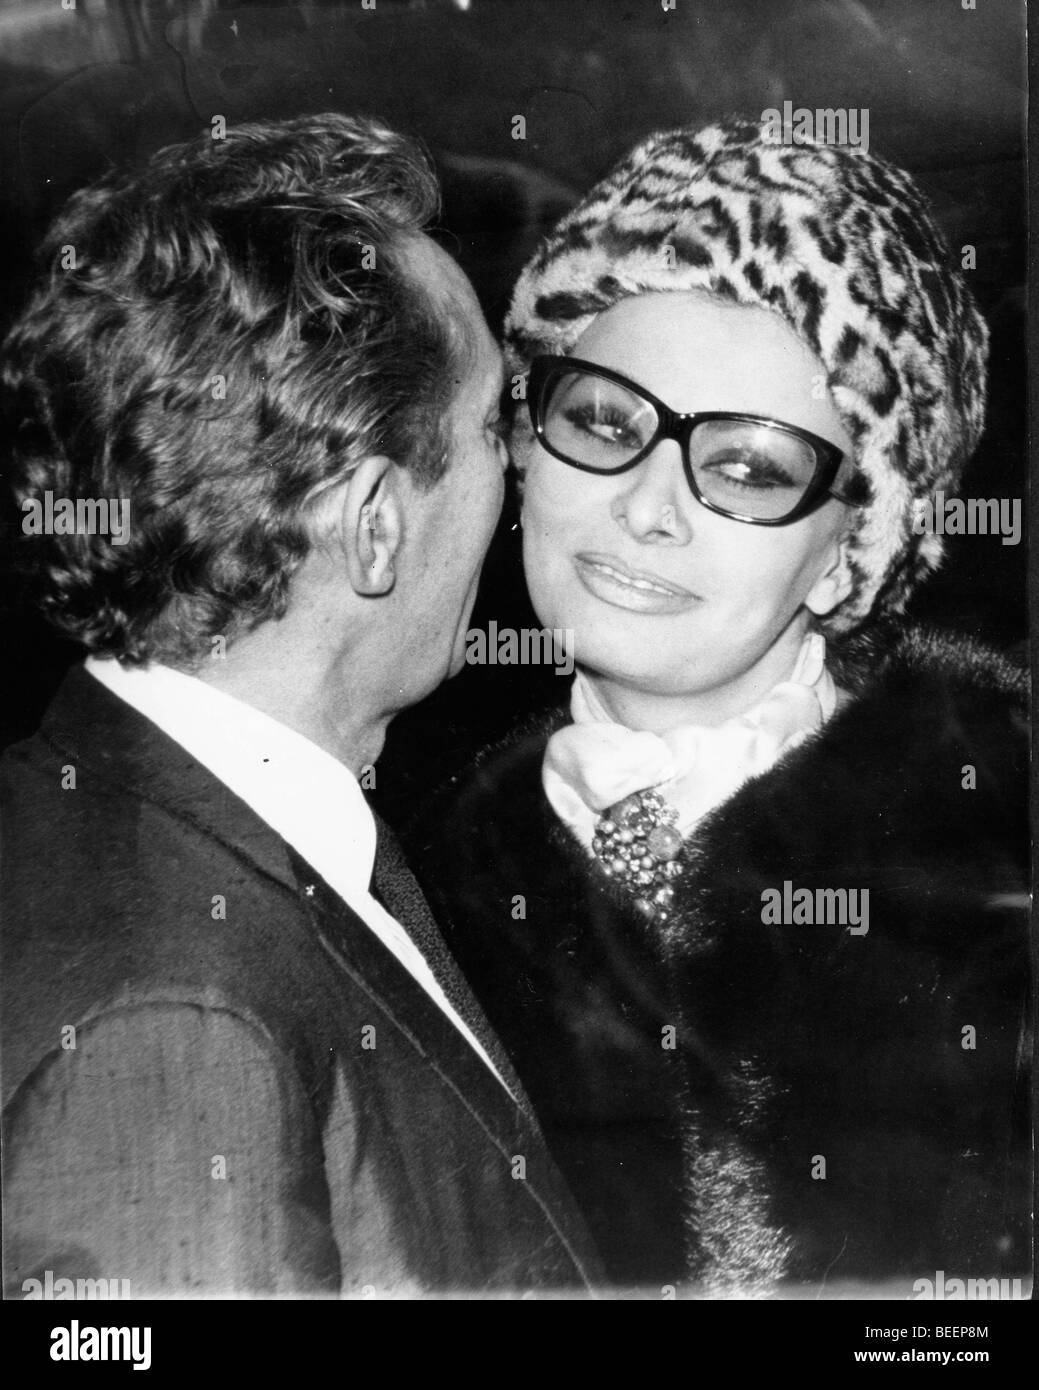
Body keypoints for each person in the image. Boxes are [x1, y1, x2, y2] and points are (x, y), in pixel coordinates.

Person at [407, 119, 1030, 1296]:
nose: (647, 509)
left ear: (855, 548)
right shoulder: (413, 880)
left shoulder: (999, 828)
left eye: (746, 468)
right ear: (526, 449)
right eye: (602, 420)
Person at [0, 114, 600, 1298]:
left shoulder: (117, 811)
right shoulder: (176, 1034)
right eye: (490, 427)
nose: (521, 469)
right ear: (376, 522)